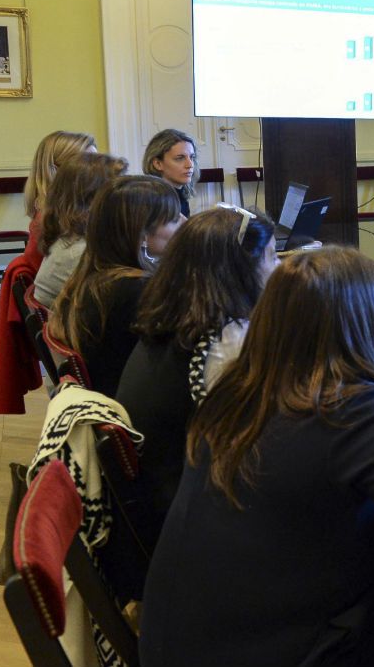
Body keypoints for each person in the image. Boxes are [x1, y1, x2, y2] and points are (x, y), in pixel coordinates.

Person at [140, 247, 374, 666]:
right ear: (353, 323)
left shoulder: (237, 391)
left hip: (183, 645)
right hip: (284, 651)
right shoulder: (352, 409)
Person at [116, 205, 277, 542]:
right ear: (240, 269)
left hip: (163, 499)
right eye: (272, 257)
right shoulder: (226, 340)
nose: (279, 269)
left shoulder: (178, 319)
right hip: (195, 522)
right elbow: (267, 432)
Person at [47, 175, 183, 396]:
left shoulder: (97, 276)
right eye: (174, 219)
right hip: (133, 412)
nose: (185, 223)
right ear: (142, 234)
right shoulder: (134, 290)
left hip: (112, 399)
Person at [32, 152, 129, 306]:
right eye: (119, 191)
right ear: (92, 199)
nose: (126, 198)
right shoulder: (79, 252)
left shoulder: (72, 238)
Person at [21, 130, 98, 224]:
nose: (98, 168)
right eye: (88, 162)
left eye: (97, 160)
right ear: (59, 170)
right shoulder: (50, 223)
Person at [143, 128, 198, 217]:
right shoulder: (155, 202)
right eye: (180, 158)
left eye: (192, 157)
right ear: (158, 164)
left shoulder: (180, 194)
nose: (190, 165)